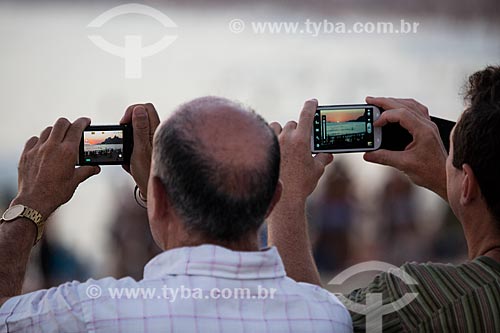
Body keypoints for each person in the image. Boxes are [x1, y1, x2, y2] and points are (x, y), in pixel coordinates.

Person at [0, 97, 352, 332]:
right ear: (271, 201)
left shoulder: (92, 314)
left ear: (159, 198)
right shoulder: (325, 316)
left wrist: (32, 200)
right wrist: (159, 191)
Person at [268, 66, 500, 331]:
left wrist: (285, 194)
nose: (445, 163)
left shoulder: (422, 299)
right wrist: (453, 181)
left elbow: (306, 323)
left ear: (467, 183)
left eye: (450, 155)